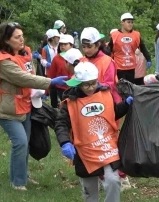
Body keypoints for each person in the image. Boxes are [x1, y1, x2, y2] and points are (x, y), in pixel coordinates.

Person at [0, 22, 68, 191]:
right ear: (7, 40)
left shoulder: (24, 54)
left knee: (25, 144)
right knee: (21, 143)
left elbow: (30, 75)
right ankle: (18, 182)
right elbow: (24, 78)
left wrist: (39, 92)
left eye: (22, 35)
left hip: (24, 106)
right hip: (6, 110)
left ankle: (21, 174)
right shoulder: (4, 61)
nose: (22, 39)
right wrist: (50, 82)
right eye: (17, 37)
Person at [55, 61, 132, 202]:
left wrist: (126, 105)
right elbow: (61, 123)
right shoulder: (70, 102)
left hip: (106, 145)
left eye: (93, 83)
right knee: (90, 192)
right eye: (86, 84)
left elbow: (112, 113)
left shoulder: (105, 94)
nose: (91, 88)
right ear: (78, 83)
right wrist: (65, 142)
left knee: (113, 180)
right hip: (85, 150)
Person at [80, 27, 121, 103]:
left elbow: (110, 85)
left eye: (89, 46)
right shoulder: (81, 61)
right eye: (83, 47)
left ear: (98, 44)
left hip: (106, 100)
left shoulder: (107, 61)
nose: (86, 50)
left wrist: (93, 86)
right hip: (87, 101)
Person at [108, 13, 152, 83]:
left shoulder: (136, 35)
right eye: (128, 22)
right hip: (119, 67)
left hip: (131, 67)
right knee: (121, 88)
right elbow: (109, 50)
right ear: (122, 22)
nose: (130, 24)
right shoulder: (115, 35)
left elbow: (142, 47)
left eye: (132, 22)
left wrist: (148, 58)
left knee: (130, 87)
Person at [47, 34, 75, 100]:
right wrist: (48, 87)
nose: (62, 46)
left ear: (71, 45)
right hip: (61, 88)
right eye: (61, 44)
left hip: (74, 87)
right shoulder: (56, 58)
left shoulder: (77, 56)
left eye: (65, 44)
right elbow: (51, 73)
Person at [41, 29, 61, 108]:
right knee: (52, 89)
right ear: (52, 38)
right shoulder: (45, 48)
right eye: (57, 37)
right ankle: (54, 105)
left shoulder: (60, 47)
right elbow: (42, 60)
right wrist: (50, 65)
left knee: (59, 87)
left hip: (59, 71)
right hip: (50, 72)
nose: (59, 39)